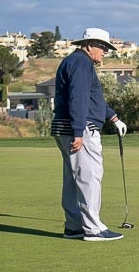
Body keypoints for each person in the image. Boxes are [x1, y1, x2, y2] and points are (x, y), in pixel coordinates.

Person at [51, 28, 128, 241]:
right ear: (89, 45)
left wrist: (113, 118)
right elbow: (79, 98)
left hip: (65, 126)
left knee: (73, 178)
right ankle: (93, 228)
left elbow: (94, 99)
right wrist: (78, 132)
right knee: (89, 176)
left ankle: (74, 226)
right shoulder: (81, 63)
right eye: (102, 47)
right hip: (80, 128)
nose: (105, 52)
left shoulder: (76, 62)